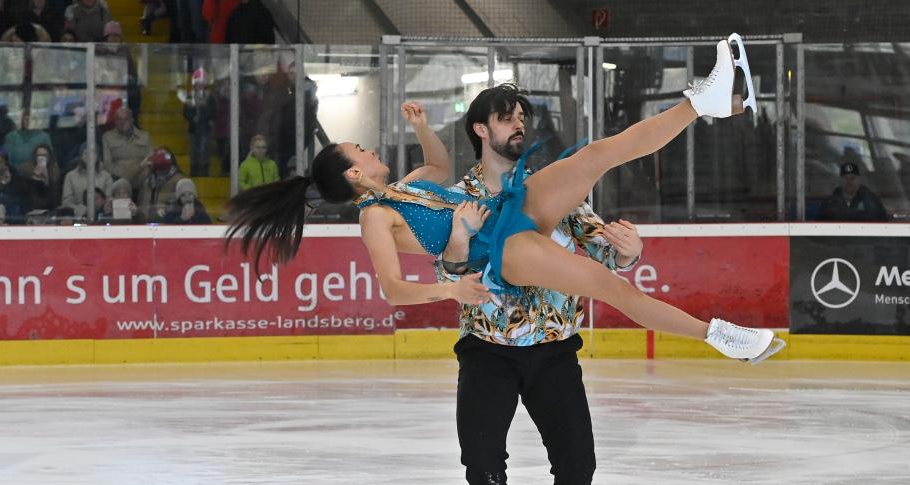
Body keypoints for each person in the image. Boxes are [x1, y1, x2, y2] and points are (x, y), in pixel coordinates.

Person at [226, 35, 782, 365]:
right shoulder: (376, 215)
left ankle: (705, 102)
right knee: (608, 287)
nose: (371, 149)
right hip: (500, 250)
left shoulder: (410, 183)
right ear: (353, 173)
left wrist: (420, 127)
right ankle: (719, 336)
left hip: (507, 205)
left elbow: (443, 168)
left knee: (596, 156)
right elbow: (393, 289)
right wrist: (450, 286)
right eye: (361, 150)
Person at [433, 82, 644, 485]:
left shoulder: (551, 191)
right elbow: (449, 277)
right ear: (480, 129)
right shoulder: (458, 200)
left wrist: (628, 251)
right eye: (507, 118)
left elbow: (607, 255)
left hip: (554, 352)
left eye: (521, 119)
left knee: (577, 464)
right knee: (482, 464)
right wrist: (460, 234)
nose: (518, 126)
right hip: (487, 352)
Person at [817, 162, 889, 221]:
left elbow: (883, 225)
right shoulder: (829, 203)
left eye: (853, 178)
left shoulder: (872, 202)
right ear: (840, 180)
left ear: (859, 180)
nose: (849, 181)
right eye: (845, 178)